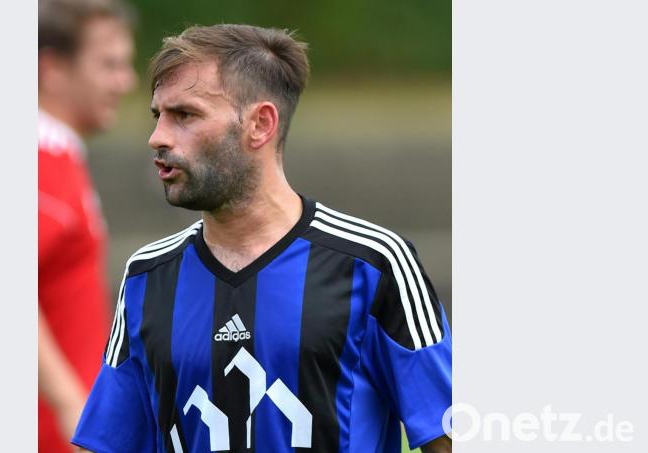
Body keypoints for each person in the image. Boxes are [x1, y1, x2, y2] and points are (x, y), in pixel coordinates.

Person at [73, 24, 451, 453]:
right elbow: (102, 444)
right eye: (158, 115)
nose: (157, 137)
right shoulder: (147, 275)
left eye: (185, 115)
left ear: (260, 124)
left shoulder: (374, 263)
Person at [38, 0, 136, 452]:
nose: (126, 82)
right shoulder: (43, 160)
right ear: (53, 70)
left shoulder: (60, 157)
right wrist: (71, 408)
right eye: (109, 65)